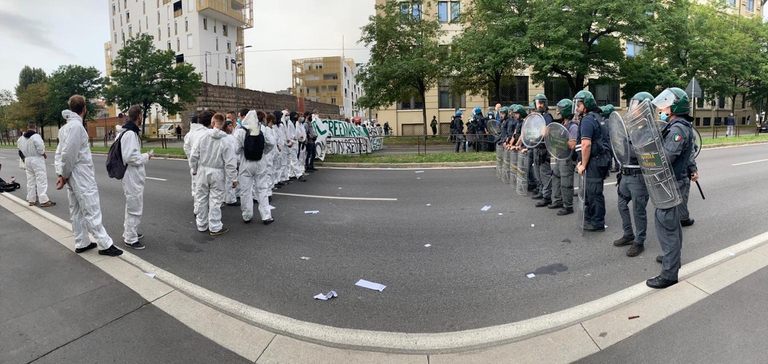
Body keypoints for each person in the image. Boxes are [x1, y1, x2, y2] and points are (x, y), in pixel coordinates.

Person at [55, 95, 122, 256]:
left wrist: (62, 174)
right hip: (80, 173)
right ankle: (105, 244)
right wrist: (63, 175)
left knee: (77, 209)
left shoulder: (65, 128)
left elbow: (60, 154)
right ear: (85, 108)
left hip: (72, 173)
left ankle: (81, 241)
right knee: (91, 207)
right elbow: (68, 154)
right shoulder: (76, 128)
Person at [646, 87, 696, 289]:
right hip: (675, 182)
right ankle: (672, 259)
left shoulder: (677, 129)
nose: (662, 108)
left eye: (665, 105)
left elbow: (666, 158)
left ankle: (669, 274)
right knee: (672, 226)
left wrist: (648, 154)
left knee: (667, 227)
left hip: (671, 183)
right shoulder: (678, 125)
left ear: (674, 107)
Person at [613, 93, 652, 257]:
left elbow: (643, 152)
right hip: (626, 173)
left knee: (638, 210)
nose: (633, 108)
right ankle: (628, 234)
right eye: (633, 105)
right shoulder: (632, 126)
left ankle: (639, 240)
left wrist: (628, 144)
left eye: (636, 105)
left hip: (638, 175)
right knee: (622, 205)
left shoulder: (650, 129)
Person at [189, 113, 238, 236]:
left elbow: (194, 155)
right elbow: (230, 162)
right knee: (216, 200)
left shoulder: (202, 137)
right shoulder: (226, 140)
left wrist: (194, 168)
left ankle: (201, 224)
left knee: (201, 198)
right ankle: (215, 226)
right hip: (218, 171)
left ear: (212, 123)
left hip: (202, 170)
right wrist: (233, 178)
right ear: (223, 124)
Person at [574, 90, 610, 232]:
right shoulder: (597, 117)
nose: (577, 107)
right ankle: (589, 217)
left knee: (594, 193)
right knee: (591, 191)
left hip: (595, 161)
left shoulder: (588, 119)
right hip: (600, 160)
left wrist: (582, 164)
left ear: (586, 105)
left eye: (579, 104)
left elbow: (586, 144)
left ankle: (597, 222)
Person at [120, 105, 153, 250]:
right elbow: (130, 157)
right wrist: (146, 156)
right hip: (131, 175)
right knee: (134, 206)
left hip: (131, 175)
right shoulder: (130, 134)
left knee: (132, 205)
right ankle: (130, 238)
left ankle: (129, 232)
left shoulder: (127, 132)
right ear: (139, 116)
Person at [236, 110, 275, 225]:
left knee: (245, 191)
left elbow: (235, 149)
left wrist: (243, 153)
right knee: (262, 189)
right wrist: (263, 152)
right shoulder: (263, 129)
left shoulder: (240, 131)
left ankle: (247, 215)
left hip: (246, 164)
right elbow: (271, 143)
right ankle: (266, 216)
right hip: (260, 162)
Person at [549, 99, 577, 216]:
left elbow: (572, 144)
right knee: (555, 177)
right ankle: (557, 200)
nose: (558, 112)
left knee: (566, 183)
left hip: (567, 159)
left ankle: (568, 206)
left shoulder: (573, 126)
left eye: (560, 110)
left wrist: (559, 141)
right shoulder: (563, 125)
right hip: (560, 157)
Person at [17, 120, 55, 207]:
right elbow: (40, 148)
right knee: (41, 179)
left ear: (28, 126)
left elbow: (20, 148)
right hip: (36, 159)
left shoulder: (21, 138)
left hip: (27, 159)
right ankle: (43, 200)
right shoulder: (36, 136)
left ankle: (31, 199)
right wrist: (43, 154)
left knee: (30, 180)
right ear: (35, 127)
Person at [184, 112, 212, 215]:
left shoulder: (192, 133)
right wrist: (193, 160)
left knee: (197, 187)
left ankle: (199, 210)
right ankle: (199, 210)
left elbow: (187, 147)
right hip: (202, 165)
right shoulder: (206, 133)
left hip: (196, 164)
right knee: (201, 189)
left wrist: (191, 161)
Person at [530, 94, 554, 207]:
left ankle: (547, 196)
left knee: (544, 173)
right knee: (538, 172)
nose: (539, 105)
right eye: (538, 103)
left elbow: (544, 132)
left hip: (544, 148)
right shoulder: (538, 117)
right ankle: (541, 191)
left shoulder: (547, 117)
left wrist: (537, 131)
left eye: (541, 103)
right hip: (537, 147)